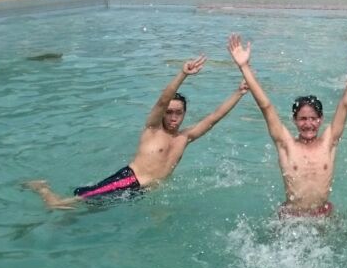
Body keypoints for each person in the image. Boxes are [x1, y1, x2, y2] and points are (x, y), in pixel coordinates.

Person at [25, 56, 248, 209]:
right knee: (63, 205)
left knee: (90, 211)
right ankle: (42, 189)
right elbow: (162, 100)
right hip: (127, 181)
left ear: (184, 114)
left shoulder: (184, 138)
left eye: (178, 113)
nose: (173, 117)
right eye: (169, 112)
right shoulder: (153, 129)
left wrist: (239, 92)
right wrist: (183, 74)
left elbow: (214, 118)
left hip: (144, 191)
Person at [228, 33, 347, 218]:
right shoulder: (286, 145)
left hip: (322, 215)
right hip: (292, 218)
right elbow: (266, 106)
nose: (308, 124)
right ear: (294, 121)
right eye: (303, 119)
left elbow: (346, 103)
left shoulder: (329, 142)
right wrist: (243, 66)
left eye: (313, 118)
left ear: (321, 119)